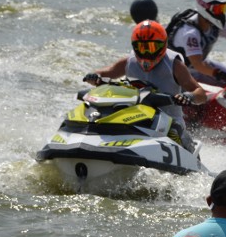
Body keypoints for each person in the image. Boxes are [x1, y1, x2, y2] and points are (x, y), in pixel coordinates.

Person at [83, 19, 207, 152]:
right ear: (135, 47)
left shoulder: (174, 64)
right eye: (142, 47)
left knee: (176, 133)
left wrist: (188, 97)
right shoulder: (130, 61)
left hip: (169, 122)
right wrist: (94, 76)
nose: (146, 53)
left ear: (163, 45)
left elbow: (201, 94)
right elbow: (106, 72)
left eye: (152, 47)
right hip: (136, 119)